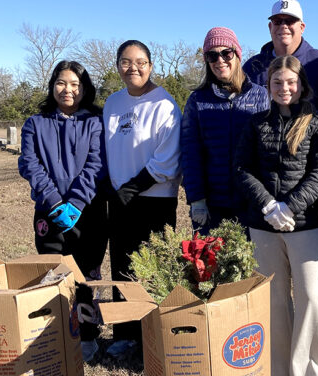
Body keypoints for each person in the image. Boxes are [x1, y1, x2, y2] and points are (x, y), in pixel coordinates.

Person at [235, 55, 318, 376]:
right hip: (263, 225)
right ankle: (278, 368)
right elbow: (242, 169)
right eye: (277, 82)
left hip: (305, 224)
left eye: (290, 81)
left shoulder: (316, 123)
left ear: (302, 84)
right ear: (268, 86)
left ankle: (311, 369)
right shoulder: (256, 123)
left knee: (310, 298)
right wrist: (268, 206)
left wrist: (289, 206)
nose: (284, 87)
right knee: (274, 299)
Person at [243, 0, 318, 312]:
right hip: (265, 189)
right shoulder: (253, 67)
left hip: (311, 187)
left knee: (312, 281)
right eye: (277, 21)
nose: (283, 26)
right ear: (269, 26)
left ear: (302, 26)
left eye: (290, 21)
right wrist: (267, 201)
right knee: (270, 287)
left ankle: (317, 323)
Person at [18, 60, 108, 362]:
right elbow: (29, 164)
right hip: (49, 212)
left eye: (75, 84)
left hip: (89, 211)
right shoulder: (35, 123)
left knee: (85, 275)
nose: (67, 90)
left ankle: (86, 336)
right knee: (51, 273)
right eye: (61, 83)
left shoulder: (95, 121)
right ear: (52, 85)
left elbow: (97, 164)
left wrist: (77, 202)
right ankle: (53, 335)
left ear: (84, 89)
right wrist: (56, 203)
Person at [103, 40, 181, 359]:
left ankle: (156, 337)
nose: (132, 68)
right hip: (120, 202)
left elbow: (167, 159)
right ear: (118, 65)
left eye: (140, 62)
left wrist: (132, 188)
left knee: (154, 269)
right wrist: (115, 191)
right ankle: (126, 336)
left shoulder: (164, 105)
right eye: (125, 61)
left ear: (150, 65)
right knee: (122, 268)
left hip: (154, 200)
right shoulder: (112, 103)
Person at [180, 27, 268, 234]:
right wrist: (197, 199)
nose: (220, 60)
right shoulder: (197, 100)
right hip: (212, 205)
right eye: (212, 55)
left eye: (226, 53)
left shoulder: (261, 96)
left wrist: (266, 197)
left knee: (251, 266)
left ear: (237, 54)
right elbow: (190, 154)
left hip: (251, 202)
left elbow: (266, 151)